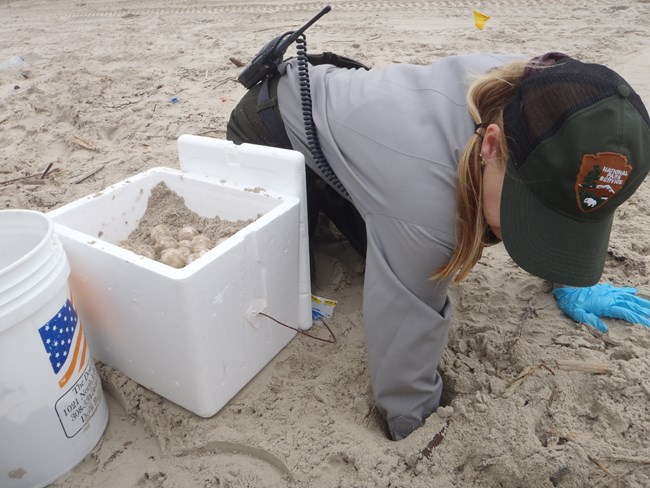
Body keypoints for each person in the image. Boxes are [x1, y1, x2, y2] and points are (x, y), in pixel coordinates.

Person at [226, 51, 650, 440]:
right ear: (490, 145)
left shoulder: (557, 94)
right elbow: (403, 346)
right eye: (532, 210)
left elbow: (566, 180)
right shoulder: (425, 204)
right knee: (310, 271)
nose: (535, 230)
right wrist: (415, 424)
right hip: (270, 130)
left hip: (362, 112)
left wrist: (568, 275)